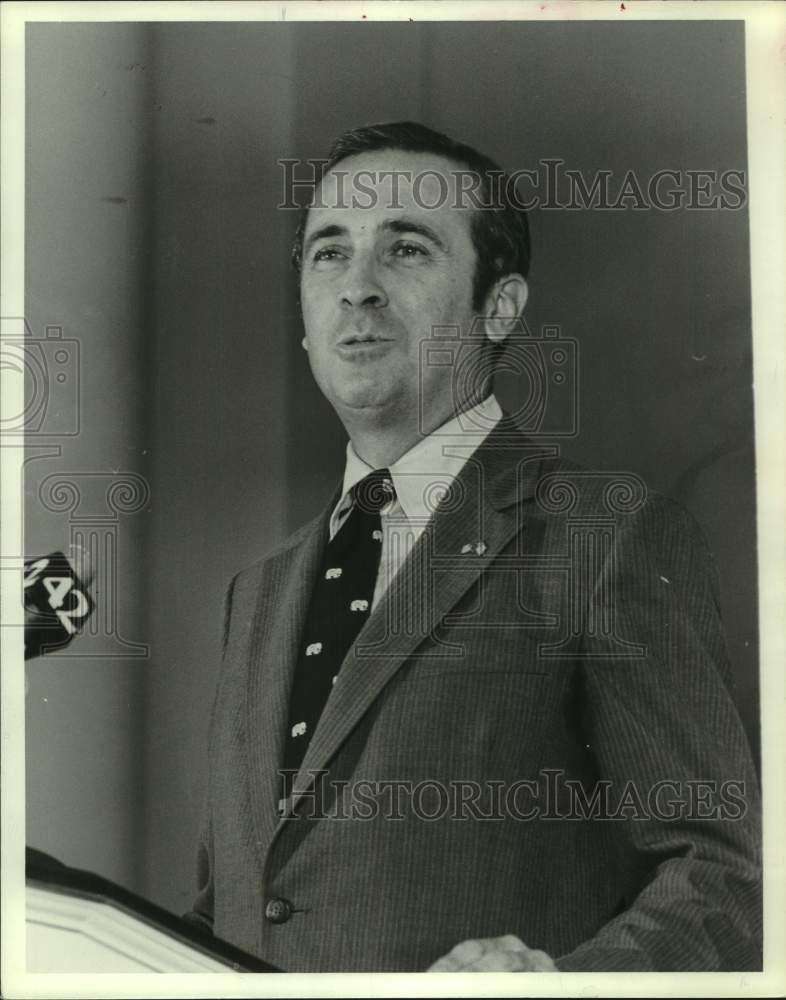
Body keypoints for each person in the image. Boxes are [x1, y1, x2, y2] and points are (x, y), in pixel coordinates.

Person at [188, 121, 761, 972]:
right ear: (306, 321)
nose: (359, 288)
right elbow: (232, 905)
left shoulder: (602, 534)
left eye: (407, 249)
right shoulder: (258, 589)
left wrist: (560, 988)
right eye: (328, 252)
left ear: (500, 307)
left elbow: (727, 875)